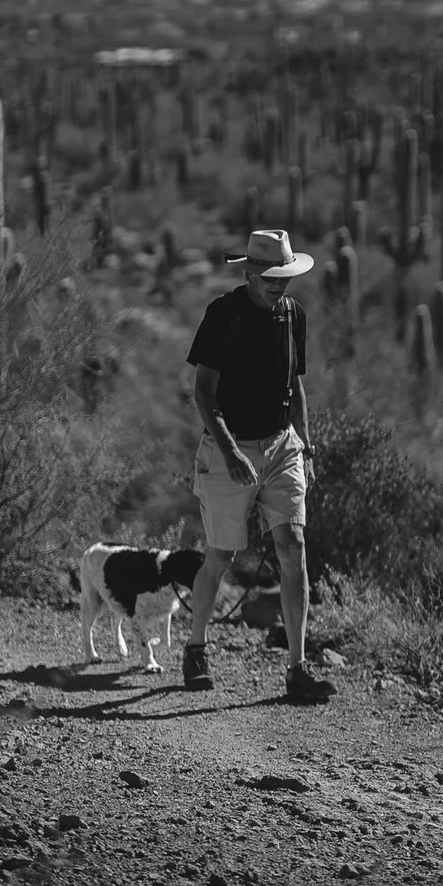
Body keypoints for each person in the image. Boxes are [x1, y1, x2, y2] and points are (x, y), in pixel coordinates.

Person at [180, 228, 337, 702]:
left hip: (282, 446)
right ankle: (196, 648)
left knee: (294, 546)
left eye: (284, 276)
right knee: (222, 556)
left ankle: (297, 668)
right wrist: (229, 454)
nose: (280, 285)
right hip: (230, 446)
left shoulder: (293, 316)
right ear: (249, 273)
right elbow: (204, 393)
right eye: (271, 276)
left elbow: (296, 384)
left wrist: (305, 447)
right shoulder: (222, 315)